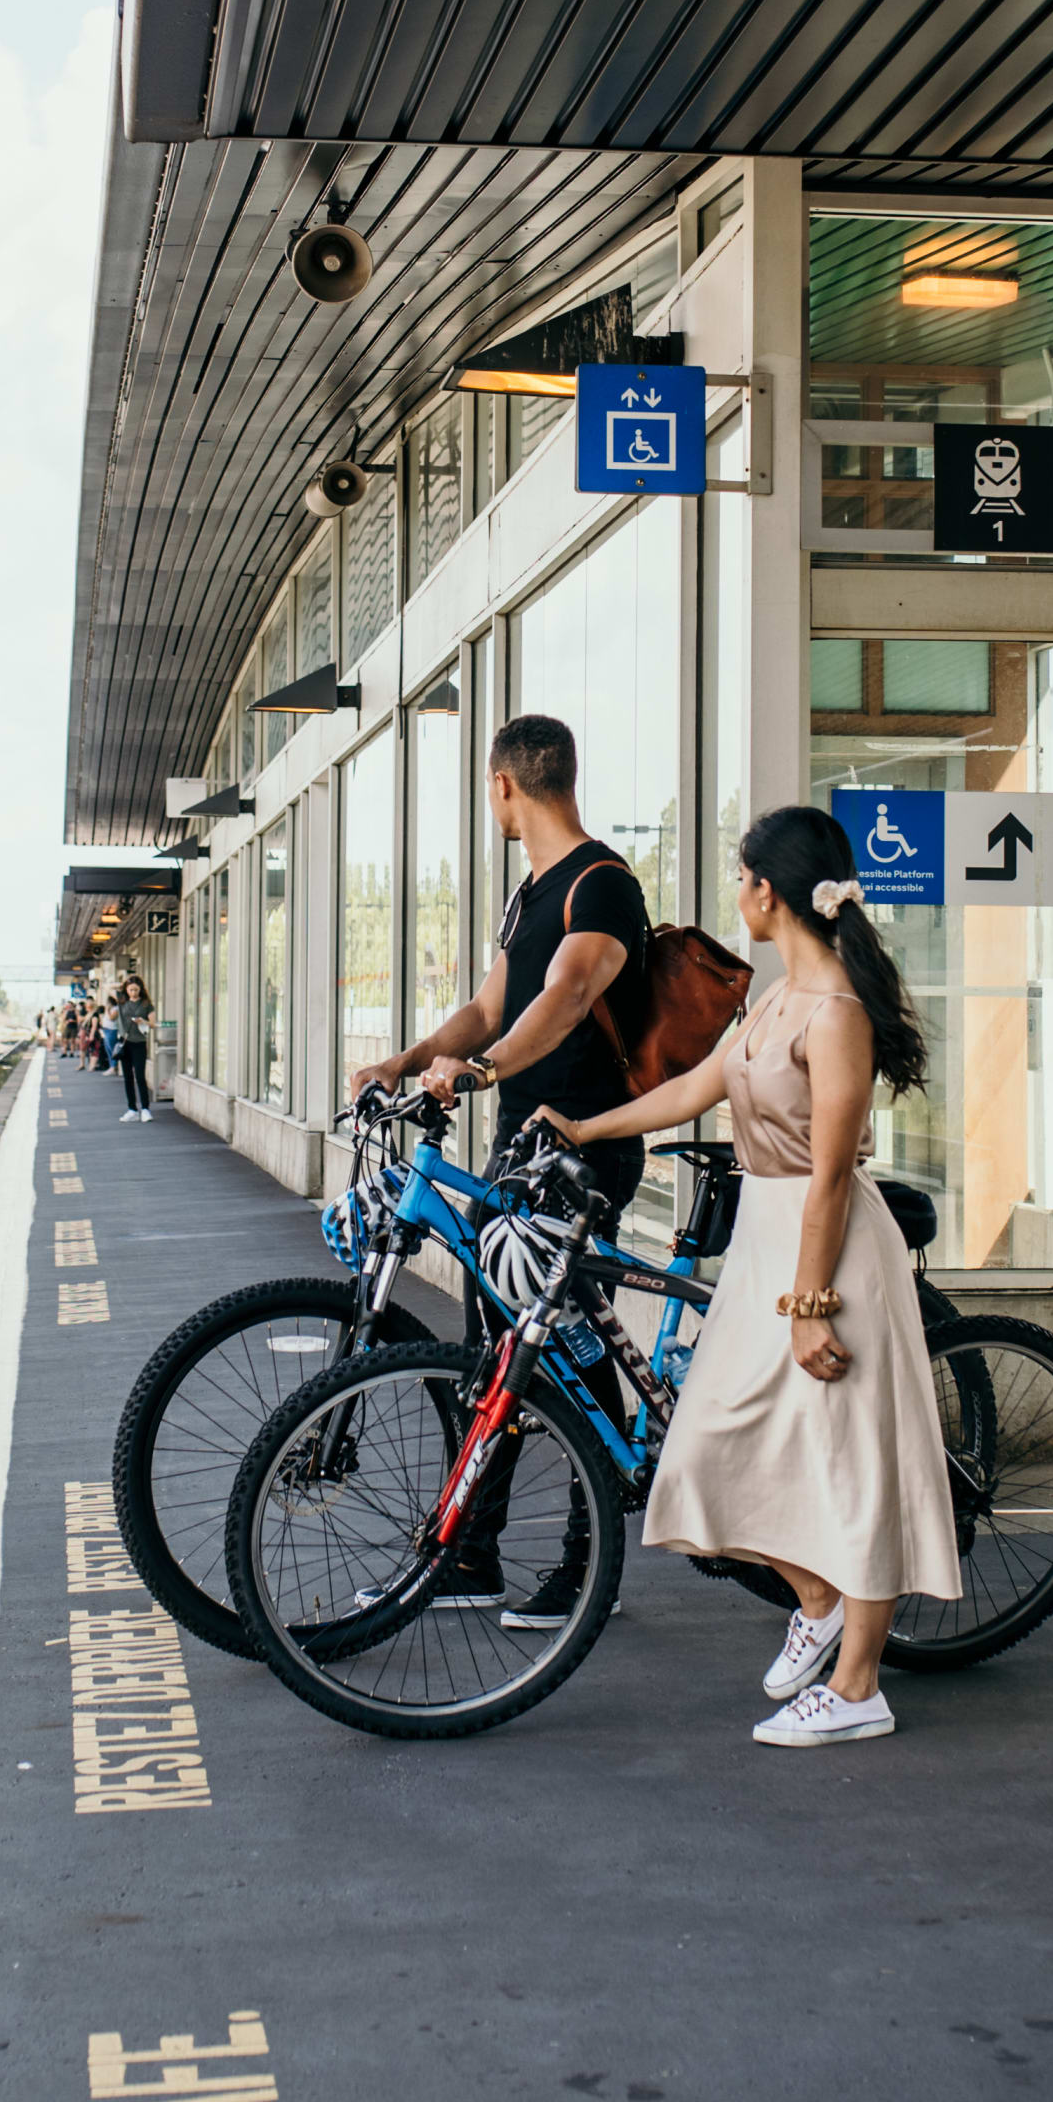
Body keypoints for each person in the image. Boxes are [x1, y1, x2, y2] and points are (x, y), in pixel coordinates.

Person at [540, 802, 953, 1749]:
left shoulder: (838, 1013)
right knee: (702, 1449)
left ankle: (857, 1689)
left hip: (830, 1248)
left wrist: (811, 1306)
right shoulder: (773, 1001)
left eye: (740, 877)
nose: (736, 894)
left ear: (768, 891)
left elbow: (833, 1174)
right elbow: (699, 1088)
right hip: (768, 1240)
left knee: (853, 1469)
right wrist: (586, 1127)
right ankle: (815, 1600)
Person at [359, 710, 648, 1626]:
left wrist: (482, 1072)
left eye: (494, 790)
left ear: (506, 787)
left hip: (583, 1149)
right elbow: (489, 1008)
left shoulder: (600, 886)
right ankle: (474, 1555)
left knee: (564, 1343)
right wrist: (407, 1062)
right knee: (497, 1355)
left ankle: (590, 1551)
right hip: (518, 1153)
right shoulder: (529, 894)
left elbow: (567, 998)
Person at [107, 976, 158, 1121]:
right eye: (130, 990)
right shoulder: (122, 1001)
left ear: (141, 989)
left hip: (139, 1043)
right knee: (128, 1077)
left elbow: (153, 1024)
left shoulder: (146, 1004)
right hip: (125, 1043)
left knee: (140, 1077)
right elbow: (108, 987)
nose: (133, 993)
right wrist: (122, 985)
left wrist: (144, 1021)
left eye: (136, 989)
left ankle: (146, 1109)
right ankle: (132, 1109)